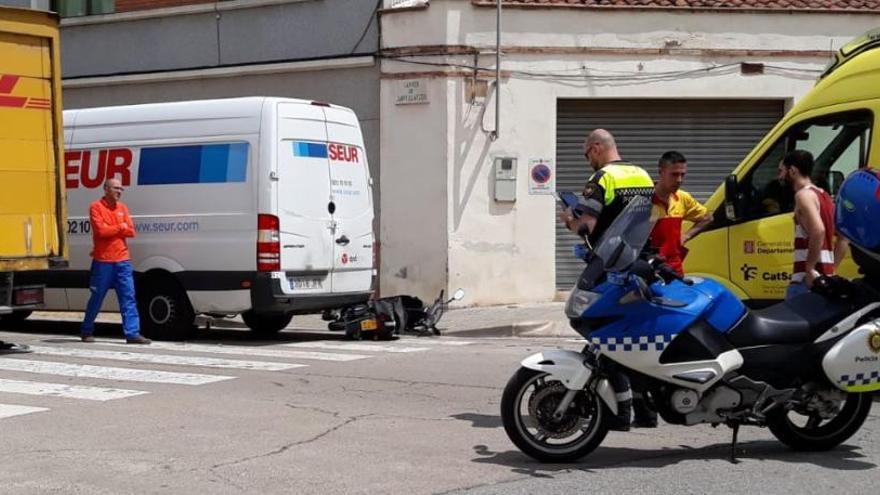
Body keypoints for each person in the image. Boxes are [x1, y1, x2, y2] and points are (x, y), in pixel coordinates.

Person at [558, 129, 656, 428]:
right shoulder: (642, 174)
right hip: (641, 263)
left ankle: (621, 410)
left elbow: (586, 227)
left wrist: (569, 219)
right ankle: (646, 410)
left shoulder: (603, 179)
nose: (588, 160)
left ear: (597, 148)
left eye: (587, 154)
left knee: (603, 333)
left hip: (610, 267)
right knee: (637, 337)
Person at [80, 177, 151, 344]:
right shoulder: (96, 207)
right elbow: (101, 232)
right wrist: (120, 227)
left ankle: (132, 333)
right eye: (115, 188)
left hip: (123, 261)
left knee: (128, 297)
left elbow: (131, 231)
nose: (119, 191)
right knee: (97, 297)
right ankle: (86, 330)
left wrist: (117, 229)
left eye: (121, 189)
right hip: (103, 261)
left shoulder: (123, 208)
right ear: (106, 189)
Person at [779, 150, 838, 300]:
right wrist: (831, 268)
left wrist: (810, 268)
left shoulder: (803, 195)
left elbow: (818, 231)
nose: (779, 176)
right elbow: (843, 238)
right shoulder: (824, 196)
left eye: (781, 171)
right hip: (824, 278)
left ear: (792, 171)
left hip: (805, 281)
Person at [649, 151, 713, 276]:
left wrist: (686, 236)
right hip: (649, 270)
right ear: (661, 172)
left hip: (674, 269)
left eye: (682, 175)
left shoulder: (683, 198)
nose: (679, 180)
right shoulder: (644, 199)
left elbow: (708, 218)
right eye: (674, 174)